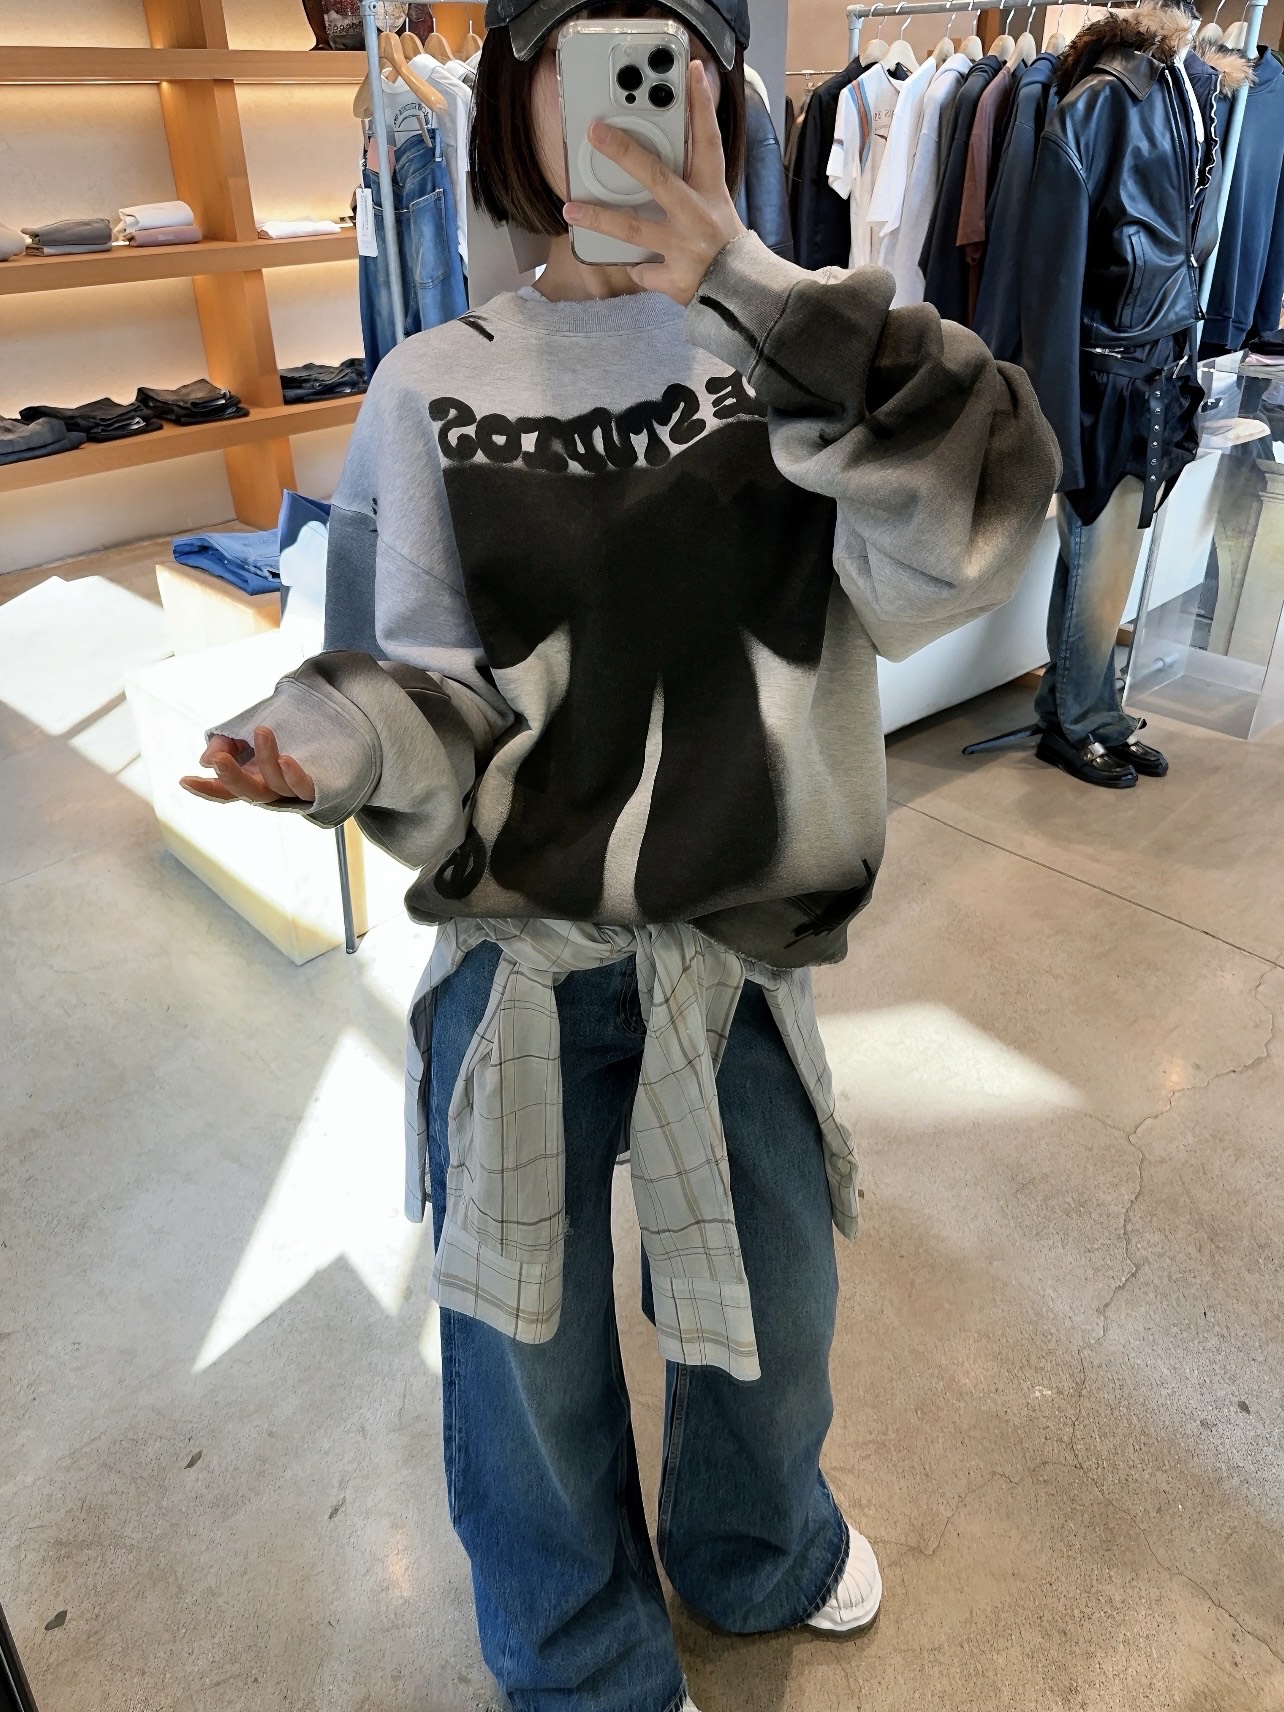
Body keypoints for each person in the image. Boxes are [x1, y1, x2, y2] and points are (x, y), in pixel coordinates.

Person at [182, 2, 1060, 1706]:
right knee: (522, 1346)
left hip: (738, 950)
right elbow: (421, 680)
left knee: (779, 1310)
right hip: (520, 962)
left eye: (667, 48)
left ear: (722, 87)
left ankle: (757, 1551)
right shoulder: (435, 384)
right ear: (518, 93)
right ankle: (582, 1660)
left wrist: (745, 279)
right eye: (582, 50)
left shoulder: (808, 343)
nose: (625, 94)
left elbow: (985, 517)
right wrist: (326, 742)